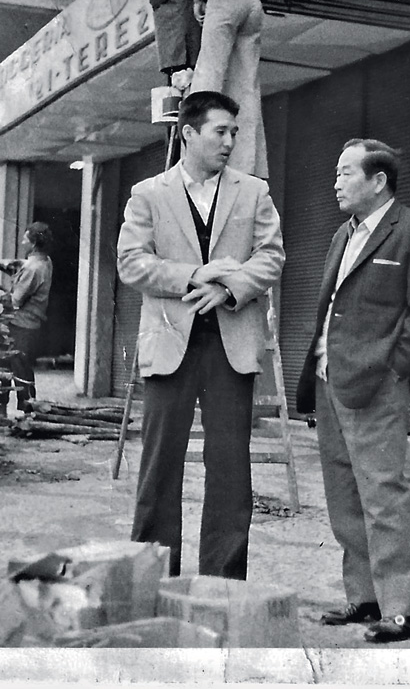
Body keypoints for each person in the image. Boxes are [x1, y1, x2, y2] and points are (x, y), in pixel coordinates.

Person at [117, 90, 285, 579]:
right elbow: (132, 263)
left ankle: (224, 586)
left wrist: (229, 290)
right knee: (158, 467)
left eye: (235, 132)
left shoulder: (254, 192)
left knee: (231, 470)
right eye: (220, 131)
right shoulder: (148, 194)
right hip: (170, 343)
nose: (231, 141)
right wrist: (197, 275)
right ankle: (151, 580)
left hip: (231, 347)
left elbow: (271, 257)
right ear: (189, 133)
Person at [295, 139, 410, 643]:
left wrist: (397, 370)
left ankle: (406, 609)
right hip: (329, 380)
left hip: (377, 385)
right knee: (343, 495)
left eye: (345, 173)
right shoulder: (344, 234)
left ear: (378, 180)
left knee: (382, 494)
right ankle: (363, 598)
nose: (335, 183)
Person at [188, 0, 270, 179]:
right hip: (254, 1)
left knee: (208, 80)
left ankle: (200, 161)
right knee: (246, 89)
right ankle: (245, 167)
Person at [2, 222, 54, 412]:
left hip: (20, 324)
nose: (22, 241)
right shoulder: (46, 262)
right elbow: (29, 265)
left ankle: (28, 410)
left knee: (19, 369)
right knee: (21, 366)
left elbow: (16, 300)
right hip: (32, 325)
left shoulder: (32, 269)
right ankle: (24, 408)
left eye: (26, 238)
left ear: (32, 243)